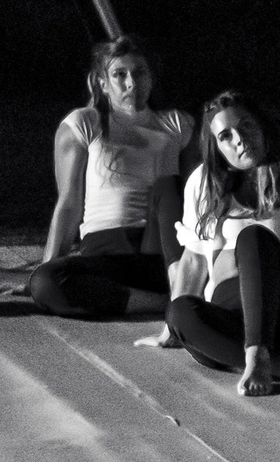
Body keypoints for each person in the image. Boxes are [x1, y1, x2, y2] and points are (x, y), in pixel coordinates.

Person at [142, 92, 280, 393]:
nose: (240, 140)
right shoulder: (204, 182)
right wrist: (170, 330)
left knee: (253, 236)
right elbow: (193, 260)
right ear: (216, 147)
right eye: (225, 136)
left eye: (246, 127)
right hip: (229, 320)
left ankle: (258, 354)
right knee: (179, 311)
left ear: (264, 128)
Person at [23, 35, 195, 321]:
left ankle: (174, 289)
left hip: (163, 252)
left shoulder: (178, 125)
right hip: (105, 255)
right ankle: (164, 302)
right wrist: (45, 269)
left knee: (170, 189)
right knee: (46, 283)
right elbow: (68, 205)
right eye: (120, 74)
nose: (132, 82)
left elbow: (198, 194)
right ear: (103, 83)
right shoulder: (85, 123)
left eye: (140, 72)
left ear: (151, 78)